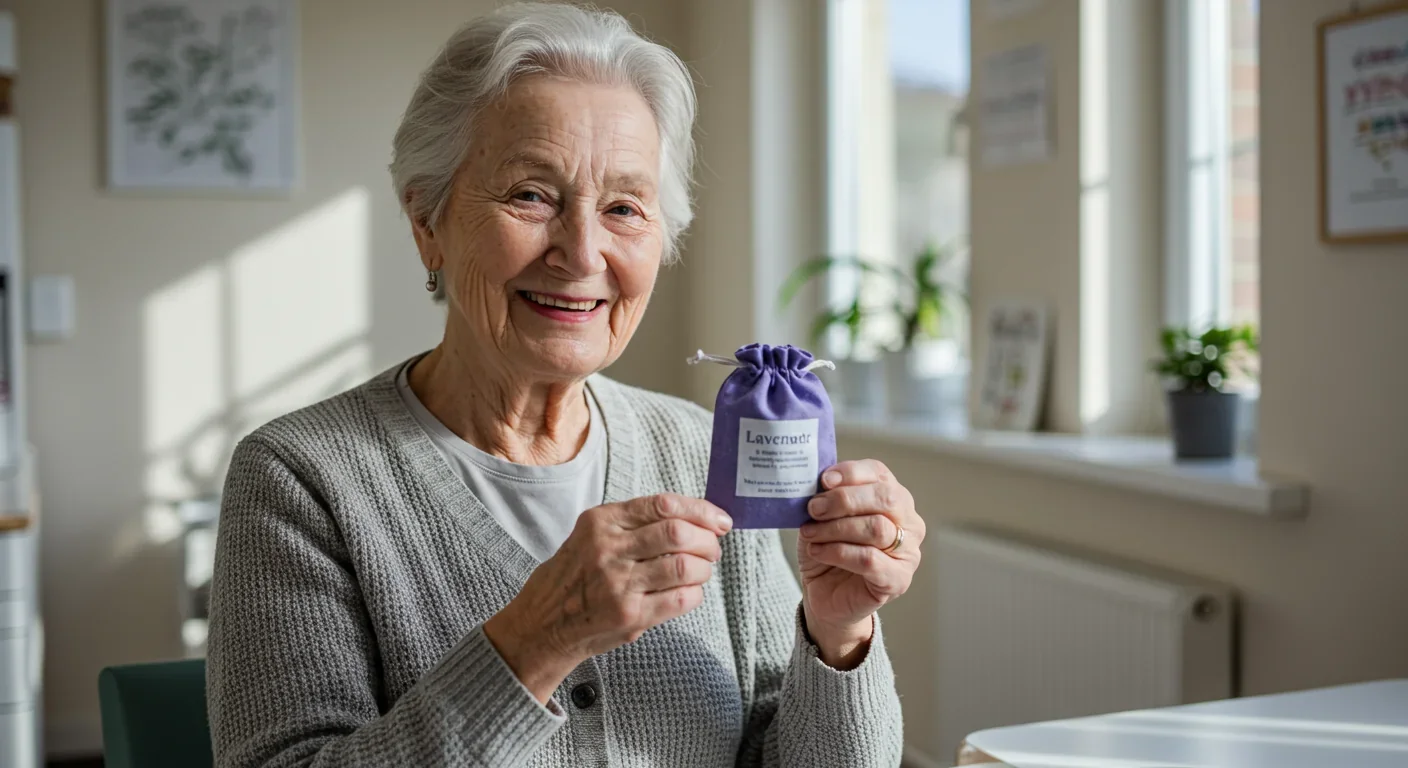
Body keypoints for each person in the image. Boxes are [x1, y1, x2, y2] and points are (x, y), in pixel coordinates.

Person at [207, 4, 925, 766]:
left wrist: (839, 634)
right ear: (427, 220)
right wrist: (536, 641)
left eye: (623, 208)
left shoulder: (698, 448)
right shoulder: (298, 478)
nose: (582, 254)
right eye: (530, 195)